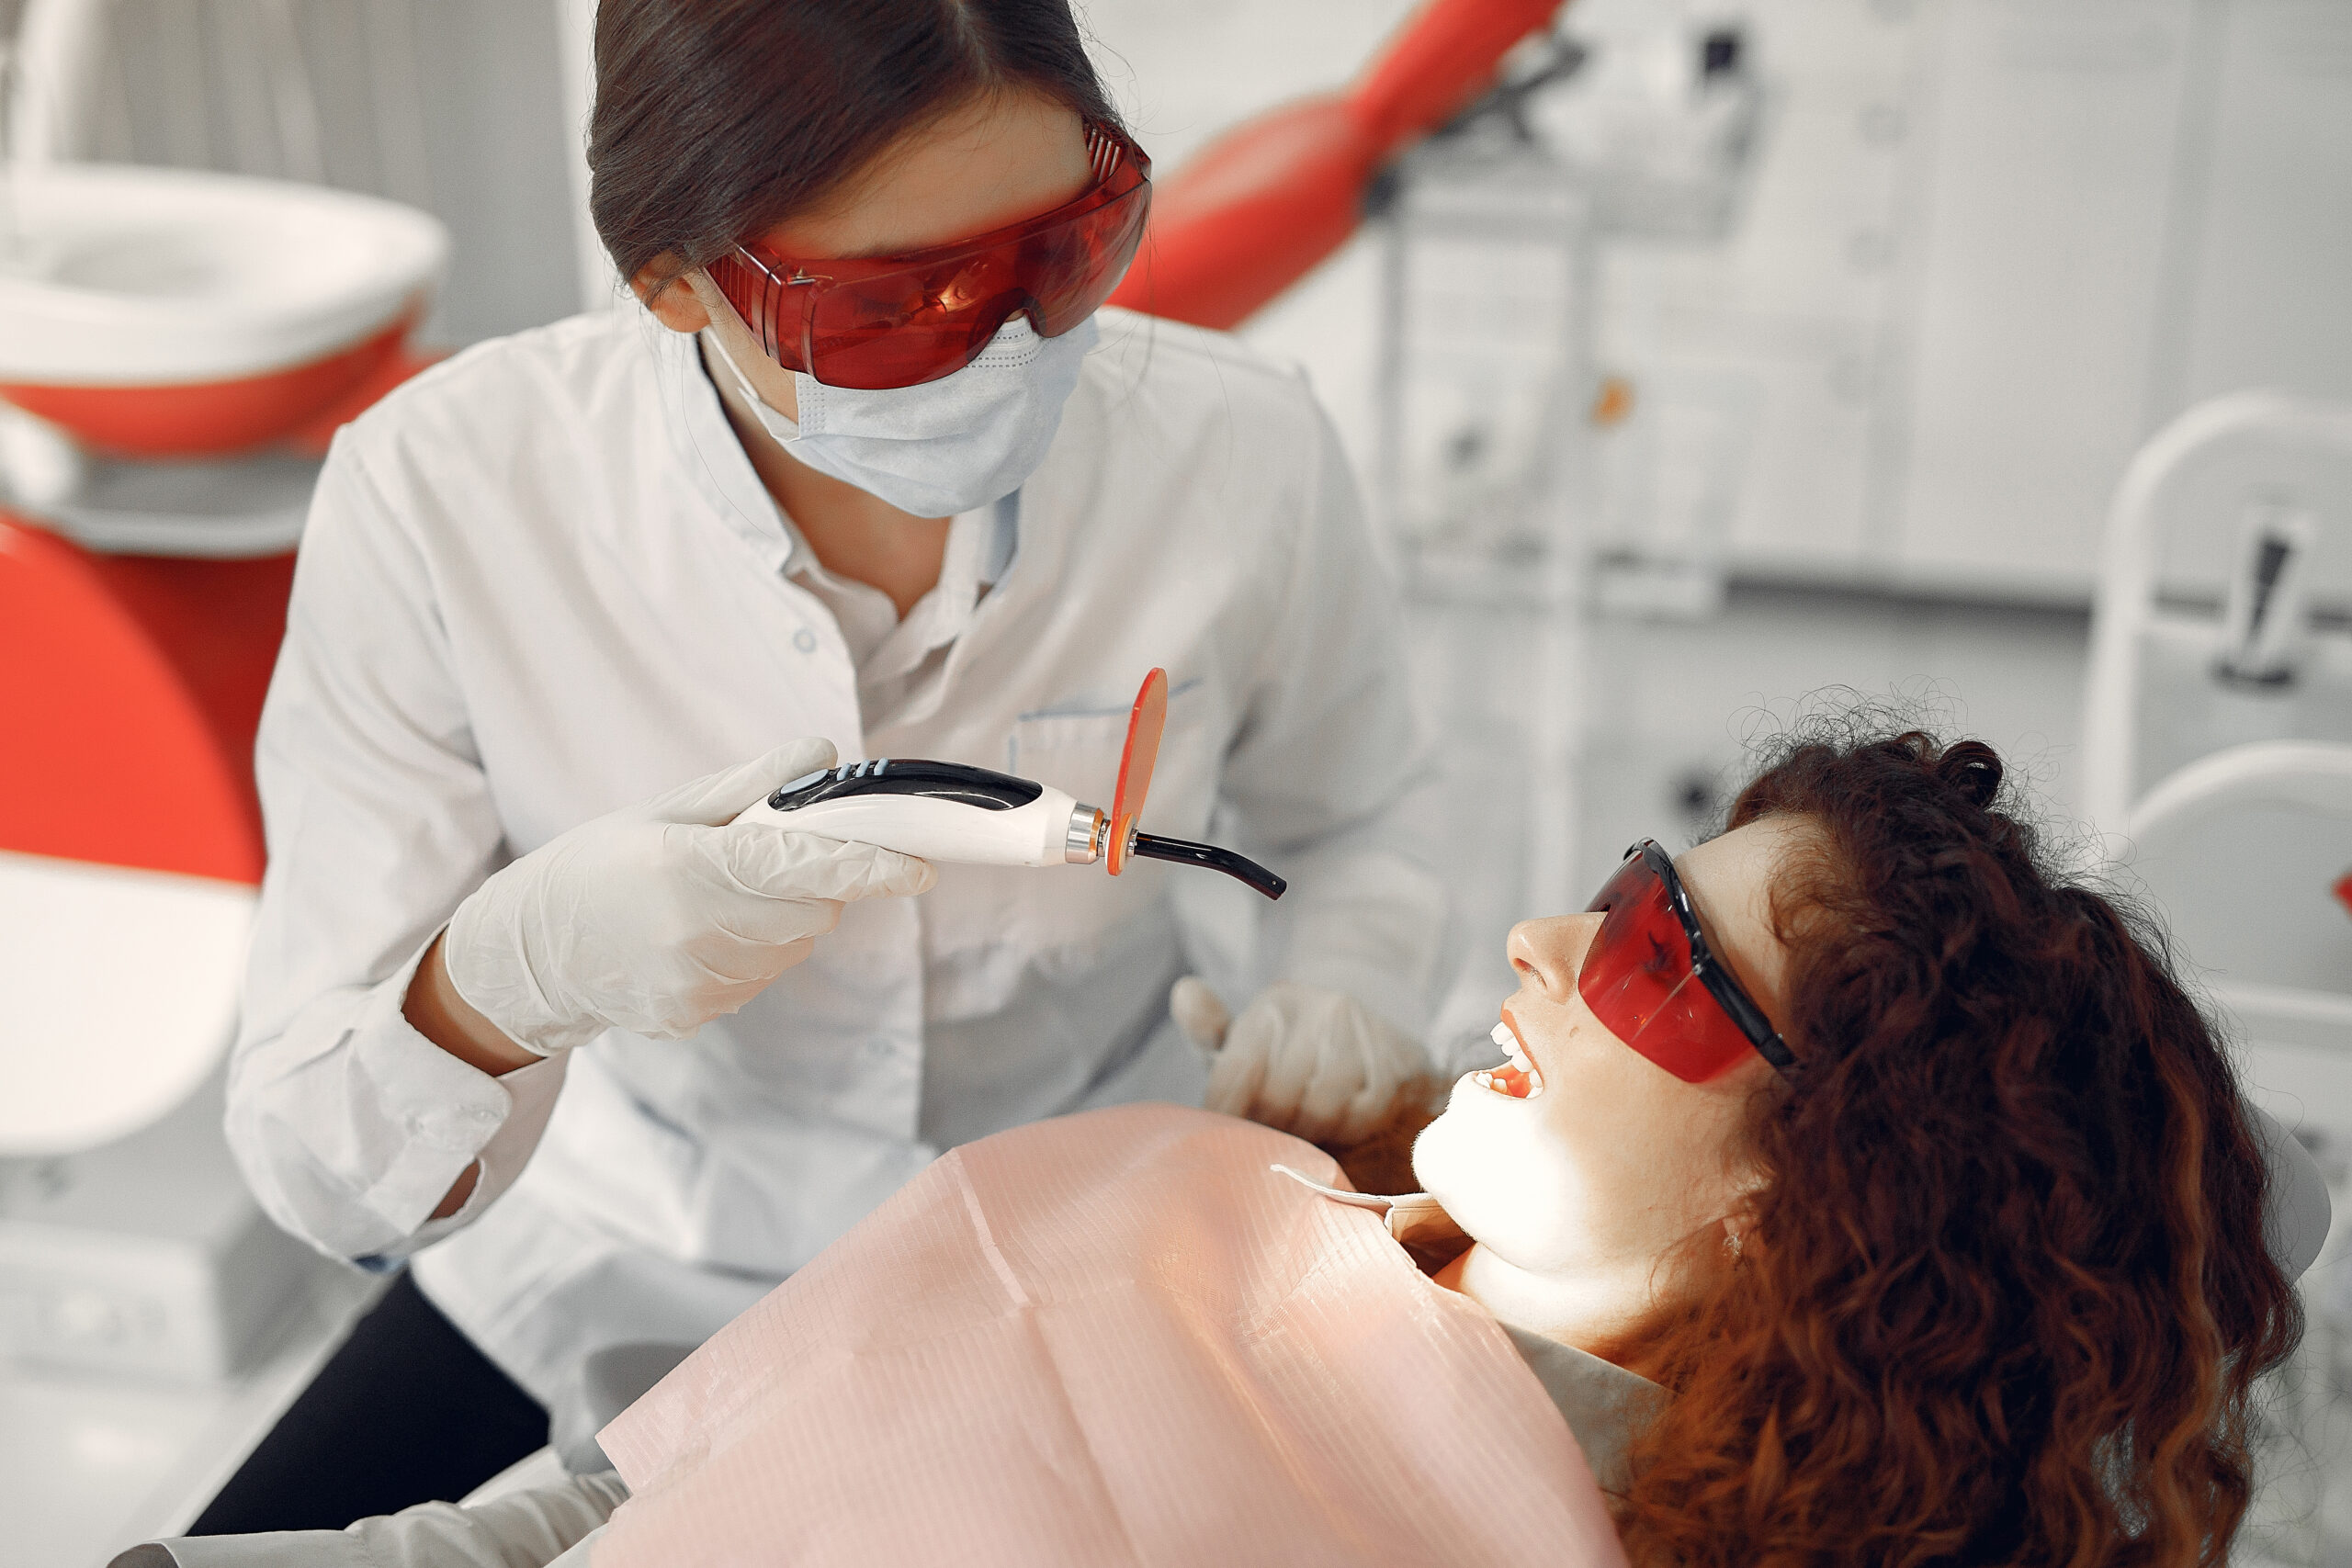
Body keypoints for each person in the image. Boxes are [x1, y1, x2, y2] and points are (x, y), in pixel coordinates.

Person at [198, 0, 1448, 1532]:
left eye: (1065, 249)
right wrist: (498, 991)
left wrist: (1349, 980)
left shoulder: (1240, 452)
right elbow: (317, 1172)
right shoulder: (446, 495)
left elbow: (1362, 819)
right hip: (619, 1246)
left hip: (1094, 1234)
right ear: (675, 287)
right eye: (891, 309)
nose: (1005, 348)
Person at [141, 724, 2322, 1567]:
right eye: (1632, 875)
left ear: (1813, 1200)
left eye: (1661, 953)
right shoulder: (1198, 1180)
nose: (1546, 934)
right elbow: (597, 1509)